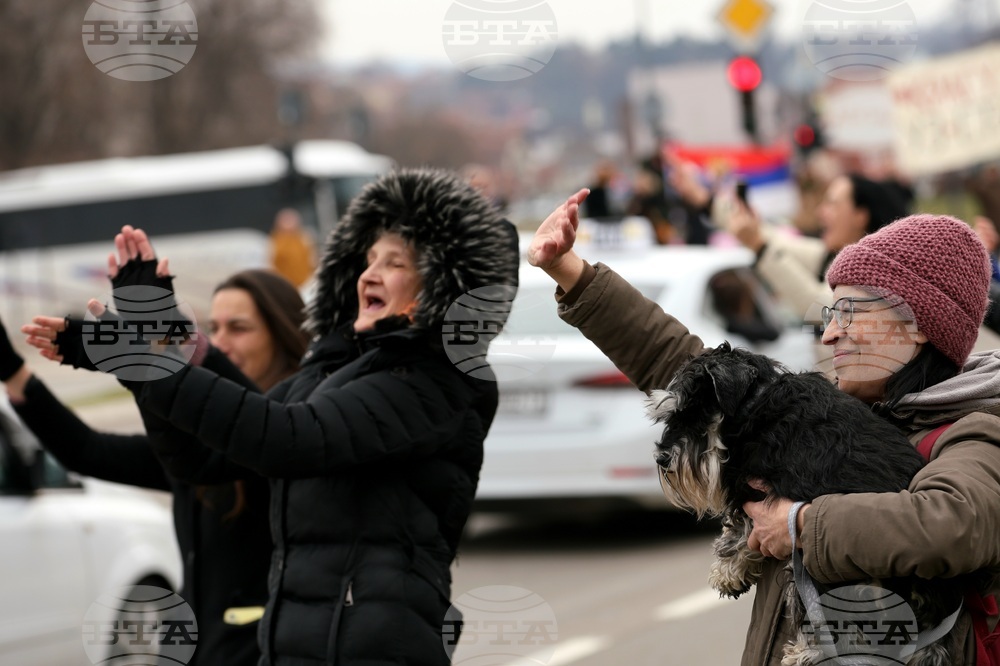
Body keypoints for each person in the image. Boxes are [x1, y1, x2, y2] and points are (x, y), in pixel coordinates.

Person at [32, 168, 520, 665]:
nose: (369, 274)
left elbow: (285, 438)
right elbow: (197, 461)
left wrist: (145, 362)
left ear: (438, 289)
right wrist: (152, 340)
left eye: (394, 263)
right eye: (369, 258)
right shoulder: (332, 371)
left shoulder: (432, 383)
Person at [529, 189, 1000, 665]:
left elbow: (955, 523)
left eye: (849, 314)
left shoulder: (974, 430)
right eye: (828, 314)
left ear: (918, 326)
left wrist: (799, 525)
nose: (830, 332)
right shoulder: (827, 414)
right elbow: (683, 366)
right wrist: (570, 270)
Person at [3, 264, 309, 666]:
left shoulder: (301, 432)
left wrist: (170, 346)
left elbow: (264, 428)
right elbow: (87, 450)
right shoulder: (193, 445)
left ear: (283, 336)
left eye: (239, 328)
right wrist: (12, 371)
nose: (221, 342)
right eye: (213, 328)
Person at [269, 207, 317, 288]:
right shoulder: (275, 241)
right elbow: (272, 262)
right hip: (283, 283)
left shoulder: (304, 238)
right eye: (286, 221)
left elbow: (311, 260)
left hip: (305, 283)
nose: (289, 224)